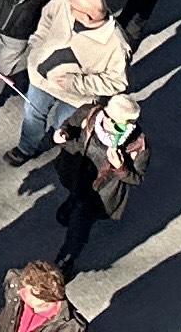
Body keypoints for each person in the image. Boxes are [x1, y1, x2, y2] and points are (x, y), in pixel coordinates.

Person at [10, 0, 130, 161]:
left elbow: (117, 83)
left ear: (88, 17)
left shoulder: (117, 46)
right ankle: (26, 148)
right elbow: (46, 18)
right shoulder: (63, 2)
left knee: (62, 125)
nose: (67, 3)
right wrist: (37, 43)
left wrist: (76, 83)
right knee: (32, 113)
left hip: (76, 97)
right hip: (41, 79)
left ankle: (58, 145)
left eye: (72, 7)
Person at [46, 99, 150, 279]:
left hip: (100, 194)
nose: (111, 124)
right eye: (111, 118)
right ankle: (70, 205)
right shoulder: (90, 113)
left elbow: (136, 178)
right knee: (74, 196)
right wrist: (62, 134)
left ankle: (65, 261)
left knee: (79, 229)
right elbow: (70, 125)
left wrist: (120, 167)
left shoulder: (137, 145)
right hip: (78, 174)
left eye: (122, 123)